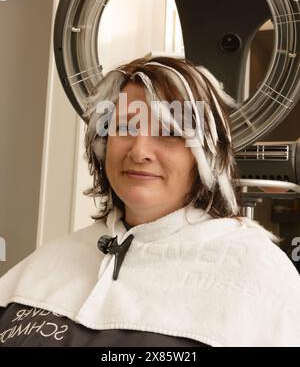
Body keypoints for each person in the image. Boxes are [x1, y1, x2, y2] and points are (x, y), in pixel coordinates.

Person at [0, 55, 299, 347]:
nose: (139, 151)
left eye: (168, 132)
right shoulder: (47, 262)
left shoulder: (257, 272)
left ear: (204, 155)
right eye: (125, 128)